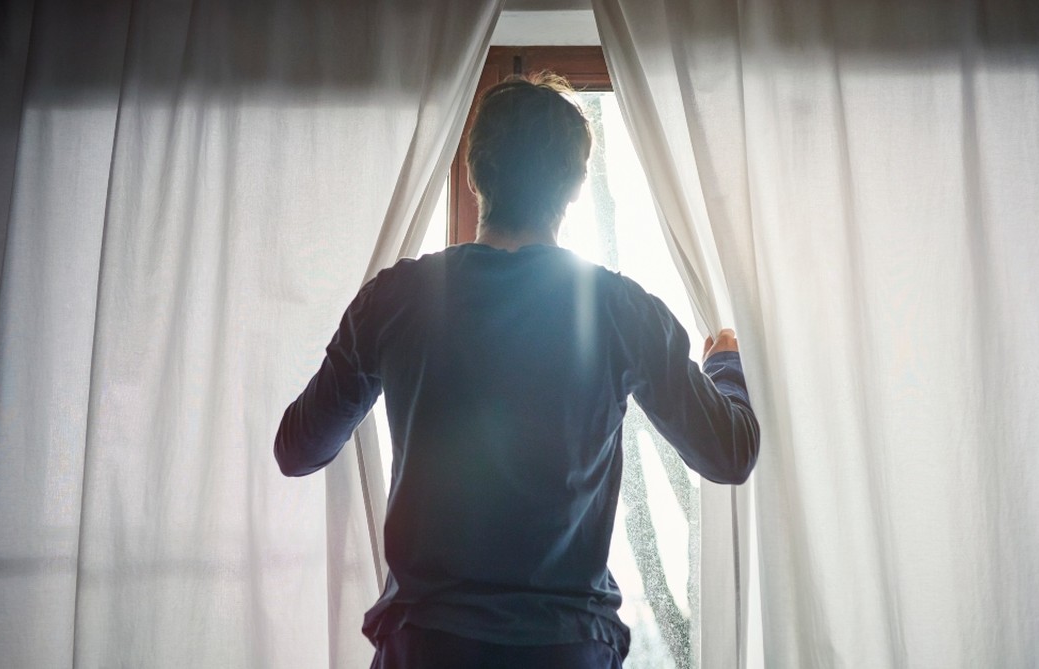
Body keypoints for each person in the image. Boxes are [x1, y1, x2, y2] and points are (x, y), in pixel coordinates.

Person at [275, 73, 760, 669]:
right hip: (565, 648)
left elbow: (297, 450)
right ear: (576, 185)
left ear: (476, 174)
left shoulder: (396, 297)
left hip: (428, 646)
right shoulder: (619, 309)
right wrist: (726, 363)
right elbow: (730, 454)